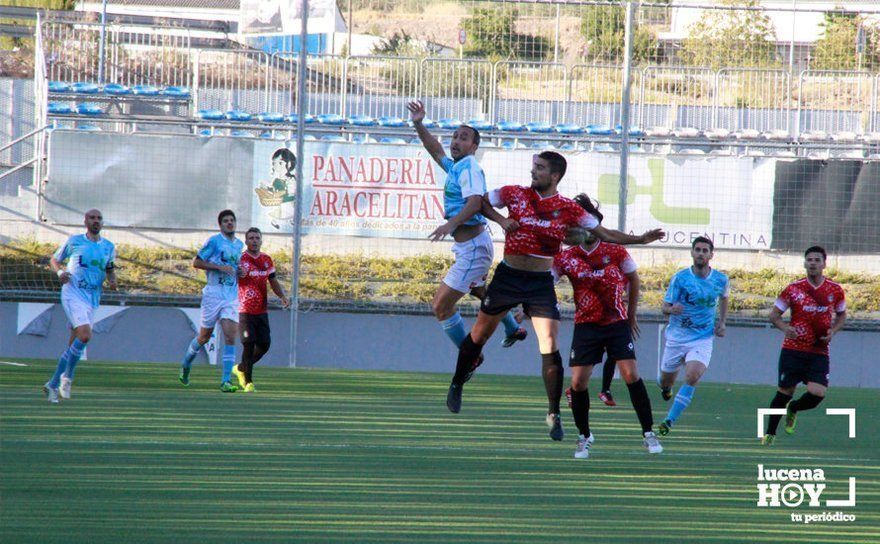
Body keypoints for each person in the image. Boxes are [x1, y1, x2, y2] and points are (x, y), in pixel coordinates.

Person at [446, 151, 664, 444]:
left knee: (549, 343)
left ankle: (553, 413)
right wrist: (500, 219)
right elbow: (481, 201)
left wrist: (641, 239)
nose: (533, 172)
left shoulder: (568, 209)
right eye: (534, 167)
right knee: (479, 335)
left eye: (539, 168)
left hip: (539, 282)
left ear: (555, 176)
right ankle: (458, 382)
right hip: (509, 276)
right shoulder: (515, 193)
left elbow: (604, 233)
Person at [407, 100, 527, 353]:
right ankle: (513, 327)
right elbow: (435, 149)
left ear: (474, 146)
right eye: (454, 136)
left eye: (463, 138)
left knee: (441, 306)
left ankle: (469, 356)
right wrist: (418, 124)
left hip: (473, 249)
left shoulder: (470, 168)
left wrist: (448, 225)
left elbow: (475, 203)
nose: (456, 141)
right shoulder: (457, 166)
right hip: (471, 247)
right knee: (481, 292)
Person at [553, 197, 662, 458]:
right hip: (586, 325)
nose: (585, 228)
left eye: (588, 223)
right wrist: (529, 306)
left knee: (630, 374)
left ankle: (648, 433)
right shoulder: (567, 256)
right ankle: (584, 436)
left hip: (616, 323)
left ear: (596, 225)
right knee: (578, 383)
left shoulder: (615, 251)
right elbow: (547, 282)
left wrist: (631, 316)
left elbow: (634, 281)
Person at [761, 246, 846, 445]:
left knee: (818, 393)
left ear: (824, 264)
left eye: (817, 260)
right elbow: (774, 315)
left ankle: (795, 408)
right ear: (804, 263)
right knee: (784, 392)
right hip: (793, 349)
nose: (813, 263)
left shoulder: (834, 290)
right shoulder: (793, 289)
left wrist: (833, 331)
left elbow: (842, 315)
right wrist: (785, 328)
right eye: (809, 260)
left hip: (819, 350)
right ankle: (770, 434)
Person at [656, 236, 729, 436]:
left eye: (705, 250)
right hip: (677, 337)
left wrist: (722, 322)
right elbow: (664, 307)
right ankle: (665, 387)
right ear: (692, 252)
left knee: (692, 375)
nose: (701, 253)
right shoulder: (680, 278)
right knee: (665, 381)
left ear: (711, 255)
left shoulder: (721, 279)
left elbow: (724, 299)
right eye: (697, 249)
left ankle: (669, 420)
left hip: (702, 338)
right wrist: (672, 310)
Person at [43, 209, 117, 403]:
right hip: (72, 293)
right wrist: (60, 273)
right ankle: (67, 378)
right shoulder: (74, 241)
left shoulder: (109, 246)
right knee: (85, 335)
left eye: (99, 218)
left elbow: (109, 269)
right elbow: (54, 260)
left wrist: (113, 281)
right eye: (92, 218)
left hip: (92, 298)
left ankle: (52, 384)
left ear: (102, 222)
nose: (96, 221)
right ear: (85, 221)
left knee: (74, 344)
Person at [178, 210, 245, 392]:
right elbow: (197, 263)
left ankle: (225, 381)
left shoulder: (240, 245)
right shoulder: (214, 241)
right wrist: (218, 267)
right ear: (220, 225)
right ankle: (186, 365)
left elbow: (236, 268)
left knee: (230, 335)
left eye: (232, 220)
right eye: (226, 221)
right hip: (213, 295)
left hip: (231, 295)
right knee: (204, 337)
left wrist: (240, 273)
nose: (230, 223)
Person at [232, 227, 290, 392]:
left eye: (257, 237)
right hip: (244, 311)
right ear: (246, 241)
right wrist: (236, 274)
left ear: (261, 240)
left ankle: (241, 368)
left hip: (261, 311)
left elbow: (272, 280)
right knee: (248, 345)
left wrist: (282, 296)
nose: (254, 240)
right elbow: (230, 278)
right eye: (251, 238)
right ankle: (248, 383)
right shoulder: (240, 260)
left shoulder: (266, 260)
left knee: (264, 345)